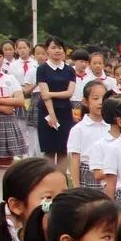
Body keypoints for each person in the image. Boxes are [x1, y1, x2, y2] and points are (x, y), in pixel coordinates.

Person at [0, 43, 29, 199]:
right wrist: (4, 106)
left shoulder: (10, 78)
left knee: (5, 163)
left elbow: (19, 101)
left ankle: (3, 204)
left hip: (6, 125)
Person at [35, 37, 77, 169]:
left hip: (65, 111)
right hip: (47, 112)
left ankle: (61, 180)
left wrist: (51, 94)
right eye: (53, 47)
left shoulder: (70, 70)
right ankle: (49, 179)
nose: (57, 50)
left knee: (63, 149)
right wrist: (51, 114)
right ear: (47, 50)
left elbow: (69, 92)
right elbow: (44, 94)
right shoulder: (42, 69)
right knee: (50, 150)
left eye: (59, 48)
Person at [66, 81, 110, 189]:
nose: (100, 102)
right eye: (95, 98)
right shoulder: (79, 129)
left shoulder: (111, 126)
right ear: (85, 102)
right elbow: (74, 159)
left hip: (108, 171)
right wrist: (76, 187)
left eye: (103, 98)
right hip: (88, 173)